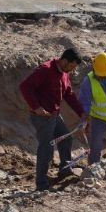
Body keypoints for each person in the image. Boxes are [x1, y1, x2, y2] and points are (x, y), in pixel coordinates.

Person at [19, 48, 87, 191]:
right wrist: (36, 107)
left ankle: (65, 170)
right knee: (46, 148)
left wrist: (81, 112)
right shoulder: (45, 69)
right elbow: (25, 86)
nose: (73, 70)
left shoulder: (64, 72)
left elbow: (68, 94)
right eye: (72, 66)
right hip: (42, 117)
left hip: (54, 115)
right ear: (65, 61)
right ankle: (42, 184)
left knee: (66, 139)